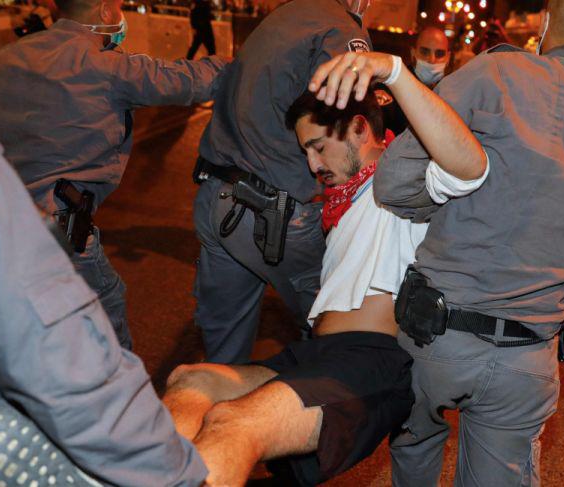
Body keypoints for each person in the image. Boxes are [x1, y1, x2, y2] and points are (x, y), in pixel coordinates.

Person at [308, 0, 564, 484]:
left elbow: (395, 183)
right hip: (529, 353)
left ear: (545, 25)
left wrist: (451, 201)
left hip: (434, 336)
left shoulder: (494, 73)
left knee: (413, 450)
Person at [0, 2, 206, 485]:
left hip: (22, 217)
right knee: (98, 339)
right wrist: (174, 472)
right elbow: (69, 367)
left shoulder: (2, 62)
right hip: (46, 233)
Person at [164, 89, 488, 486]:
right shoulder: (342, 202)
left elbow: (468, 167)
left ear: (359, 128)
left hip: (371, 360)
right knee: (190, 380)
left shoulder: (404, 179)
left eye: (318, 147)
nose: (312, 163)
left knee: (233, 423)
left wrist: (396, 74)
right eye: (305, 152)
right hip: (316, 354)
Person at [0, 0, 227, 350]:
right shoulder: (107, 67)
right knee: (104, 321)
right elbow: (191, 81)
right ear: (106, 12)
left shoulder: (0, 63)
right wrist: (240, 63)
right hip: (59, 231)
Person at [192, 0, 372, 364]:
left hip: (216, 197)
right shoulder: (341, 29)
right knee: (342, 331)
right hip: (275, 214)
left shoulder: (283, 15)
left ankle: (213, 412)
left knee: (224, 352)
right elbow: (344, 132)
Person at [378, 25, 450, 135]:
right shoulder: (392, 87)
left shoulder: (452, 93)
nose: (432, 60)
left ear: (448, 58)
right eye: (425, 52)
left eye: (439, 54)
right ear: (413, 53)